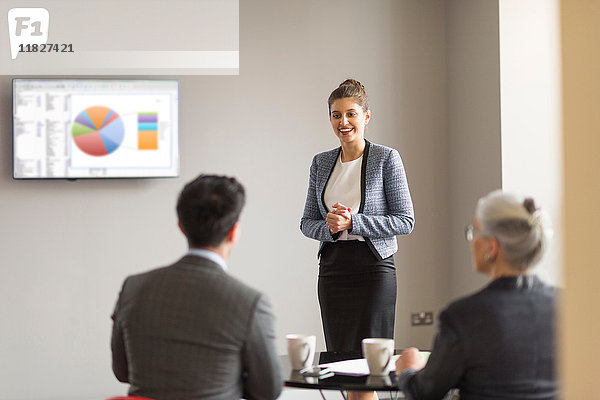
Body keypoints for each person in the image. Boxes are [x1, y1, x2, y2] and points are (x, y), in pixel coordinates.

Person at [111, 175, 283, 400]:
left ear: (181, 226)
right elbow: (267, 391)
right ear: (234, 232)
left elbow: (122, 372)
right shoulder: (250, 302)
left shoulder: (133, 288)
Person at [396, 190, 559, 400]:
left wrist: (408, 370)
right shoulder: (567, 305)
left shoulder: (464, 316)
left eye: (475, 231)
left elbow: (425, 393)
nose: (471, 240)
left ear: (492, 246)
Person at [300, 79, 415, 353]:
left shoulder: (387, 158)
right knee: (341, 364)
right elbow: (306, 222)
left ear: (366, 116)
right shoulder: (321, 162)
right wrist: (329, 228)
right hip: (332, 271)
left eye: (351, 113)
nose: (344, 122)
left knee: (370, 367)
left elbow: (405, 220)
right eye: (336, 115)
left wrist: (354, 222)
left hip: (373, 270)